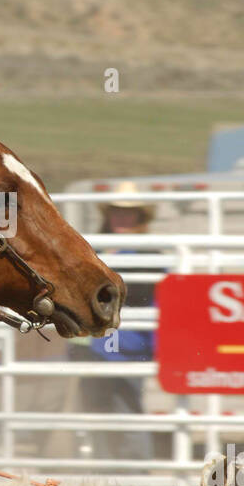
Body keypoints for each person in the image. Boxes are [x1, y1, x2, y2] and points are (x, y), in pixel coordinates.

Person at [70, 182, 162, 464]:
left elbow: (154, 302)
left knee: (127, 416)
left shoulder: (149, 257)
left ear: (139, 218)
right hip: (91, 347)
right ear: (108, 215)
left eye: (129, 213)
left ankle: (135, 477)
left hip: (127, 348)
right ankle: (104, 478)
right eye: (117, 212)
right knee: (96, 417)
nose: (122, 218)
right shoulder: (92, 249)